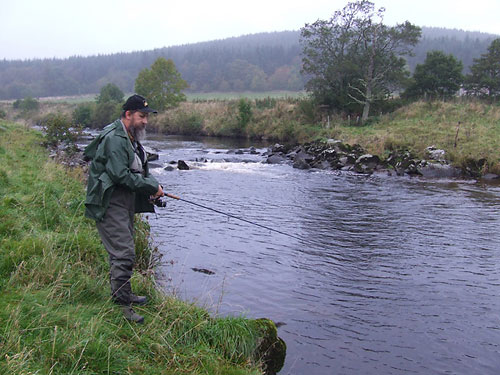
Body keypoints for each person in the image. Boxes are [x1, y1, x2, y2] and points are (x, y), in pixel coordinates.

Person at [84, 94, 164, 323]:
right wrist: (151, 186)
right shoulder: (115, 138)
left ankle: (124, 294)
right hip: (110, 202)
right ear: (128, 114)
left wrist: (152, 188)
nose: (145, 121)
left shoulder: (130, 135)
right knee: (124, 253)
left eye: (147, 116)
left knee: (123, 251)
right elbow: (120, 175)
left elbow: (136, 170)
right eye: (142, 116)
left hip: (124, 201)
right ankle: (121, 309)